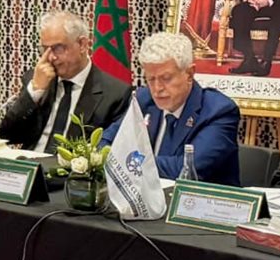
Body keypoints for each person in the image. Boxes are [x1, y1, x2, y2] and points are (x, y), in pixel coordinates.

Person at [100, 31, 240, 185]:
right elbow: (105, 142)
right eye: (150, 79)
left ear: (189, 74)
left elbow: (186, 169)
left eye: (166, 78)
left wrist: (128, 160)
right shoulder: (143, 99)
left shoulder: (218, 111)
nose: (157, 88)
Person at [0, 9, 131, 152]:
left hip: (72, 165)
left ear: (82, 44)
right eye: (45, 49)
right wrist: (35, 91)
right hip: (31, 162)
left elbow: (108, 150)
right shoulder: (37, 79)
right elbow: (9, 136)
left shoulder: (114, 94)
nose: (51, 57)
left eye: (58, 48)